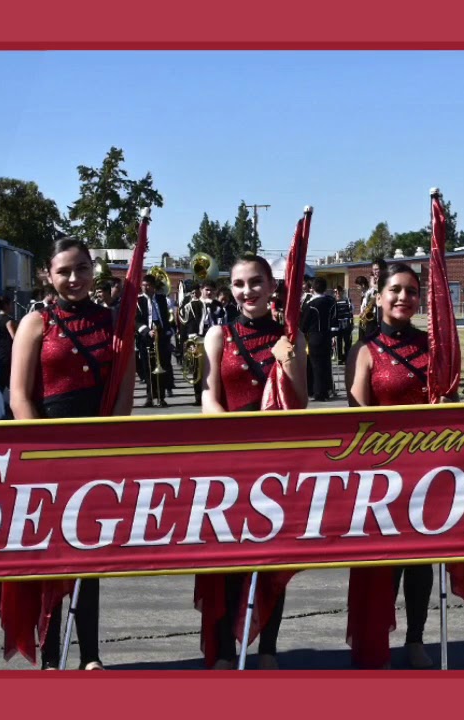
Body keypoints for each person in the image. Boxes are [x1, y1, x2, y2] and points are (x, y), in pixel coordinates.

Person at [4, 237, 136, 671]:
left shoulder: (115, 322)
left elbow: (121, 393)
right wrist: (43, 452)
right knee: (50, 557)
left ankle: (91, 655)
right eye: (64, 271)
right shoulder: (35, 323)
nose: (74, 278)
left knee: (88, 556)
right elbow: (19, 396)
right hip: (48, 452)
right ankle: (49, 657)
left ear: (93, 269)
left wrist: (110, 443)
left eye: (81, 268)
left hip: (97, 452)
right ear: (48, 275)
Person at [196, 254, 308, 670]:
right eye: (240, 284)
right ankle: (225, 649)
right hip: (228, 460)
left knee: (272, 560)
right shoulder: (218, 335)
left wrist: (290, 358)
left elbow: (300, 401)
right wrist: (233, 438)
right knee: (227, 560)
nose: (248, 291)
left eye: (256, 282)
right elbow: (208, 396)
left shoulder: (290, 336)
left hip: (276, 463)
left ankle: (267, 649)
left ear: (272, 286)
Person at [342, 264, 451, 669]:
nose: (403, 297)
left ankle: (415, 639)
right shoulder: (364, 351)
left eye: (411, 291)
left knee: (421, 564)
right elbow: (357, 418)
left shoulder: (434, 347)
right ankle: (378, 641)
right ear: (380, 294)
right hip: (381, 477)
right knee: (383, 566)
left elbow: (448, 407)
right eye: (395, 290)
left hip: (427, 473)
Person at [137, 274, 173, 408]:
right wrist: (147, 331)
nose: (145, 288)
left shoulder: (162, 299)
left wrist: (168, 331)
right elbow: (136, 320)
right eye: (143, 285)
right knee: (148, 368)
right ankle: (150, 397)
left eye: (148, 285)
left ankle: (161, 397)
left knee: (162, 366)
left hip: (161, 335)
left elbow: (166, 317)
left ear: (153, 287)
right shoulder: (138, 301)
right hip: (146, 337)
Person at [301, 276, 336, 401]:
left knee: (315, 365)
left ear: (313, 288)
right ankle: (327, 389)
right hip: (327, 335)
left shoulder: (310, 305)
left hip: (314, 336)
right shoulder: (331, 302)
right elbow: (334, 318)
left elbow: (303, 324)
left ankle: (318, 392)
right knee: (325, 363)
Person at [0, 295, 16, 390]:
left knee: (3, 374)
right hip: (8, 351)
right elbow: (14, 337)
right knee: (5, 376)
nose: (12, 307)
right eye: (10, 305)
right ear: (6, 305)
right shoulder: (8, 321)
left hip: (1, 349)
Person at [331, 286, 354, 364]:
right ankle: (340, 358)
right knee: (338, 342)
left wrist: (352, 323)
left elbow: (351, 312)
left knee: (347, 341)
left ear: (342, 292)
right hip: (338, 324)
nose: (337, 294)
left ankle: (347, 357)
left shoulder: (347, 300)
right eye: (335, 292)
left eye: (338, 291)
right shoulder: (333, 302)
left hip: (346, 323)